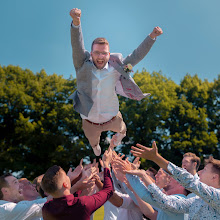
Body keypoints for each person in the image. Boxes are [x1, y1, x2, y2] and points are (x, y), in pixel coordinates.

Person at [69, 8, 163, 156]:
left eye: (104, 53)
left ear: (109, 54)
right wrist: (76, 22)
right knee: (93, 141)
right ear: (91, 54)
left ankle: (120, 135)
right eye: (97, 53)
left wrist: (152, 37)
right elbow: (77, 46)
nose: (100, 56)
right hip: (89, 121)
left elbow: (136, 56)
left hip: (112, 116)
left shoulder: (119, 68)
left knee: (122, 129)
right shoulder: (81, 64)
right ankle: (95, 146)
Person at [128, 141, 220, 219]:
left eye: (205, 170)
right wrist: (131, 175)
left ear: (214, 177)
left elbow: (190, 182)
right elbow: (165, 202)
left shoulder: (218, 197)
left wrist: (156, 158)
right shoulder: (197, 201)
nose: (199, 172)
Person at [41, 149, 114, 220]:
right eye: (66, 176)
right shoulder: (83, 204)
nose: (68, 176)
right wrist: (106, 165)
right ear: (65, 184)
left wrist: (79, 182)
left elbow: (65, 201)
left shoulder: (46, 208)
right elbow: (108, 191)